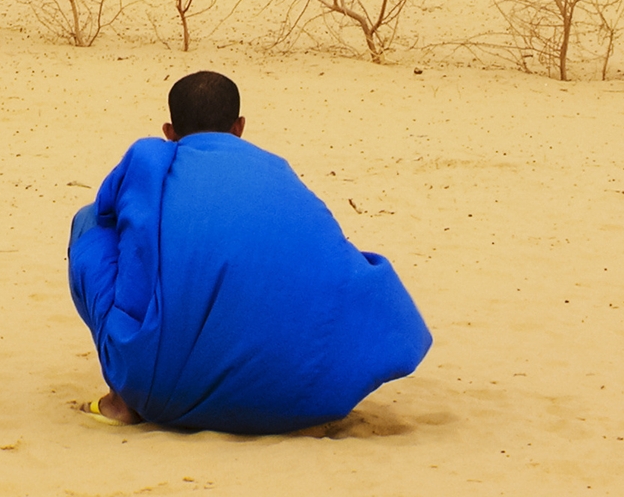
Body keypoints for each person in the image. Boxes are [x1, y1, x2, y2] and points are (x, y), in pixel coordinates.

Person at [67, 70, 432, 434]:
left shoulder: (149, 160)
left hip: (163, 393)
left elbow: (106, 209)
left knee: (90, 227)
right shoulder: (276, 168)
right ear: (239, 127)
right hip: (305, 393)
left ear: (169, 132)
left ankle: (121, 402)